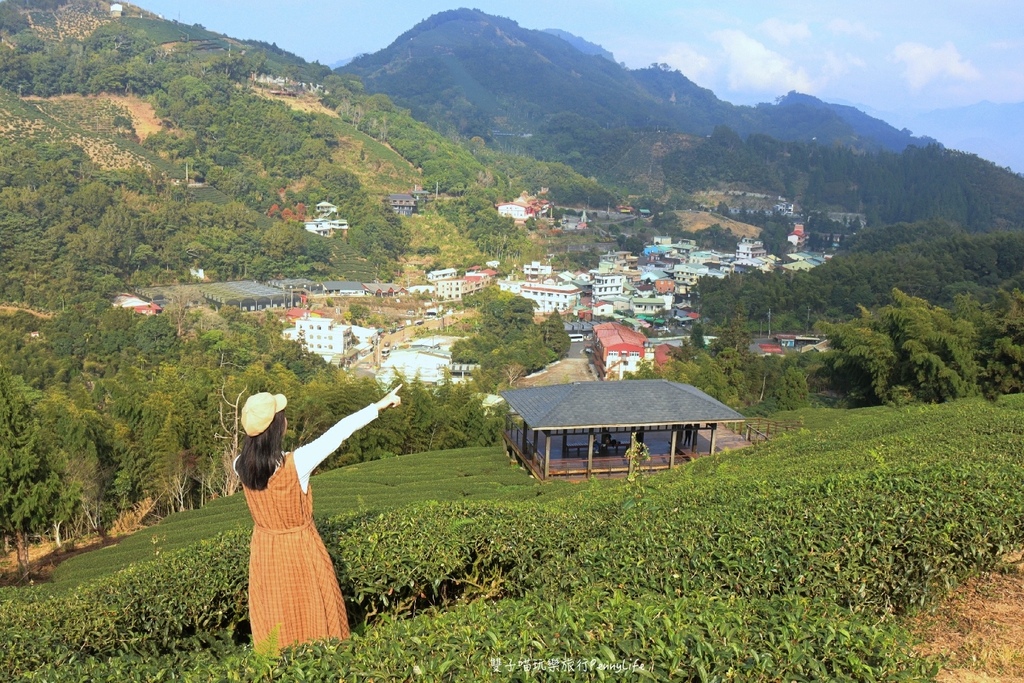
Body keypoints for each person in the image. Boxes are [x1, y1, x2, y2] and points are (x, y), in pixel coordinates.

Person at [235, 385, 402, 650]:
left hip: (265, 550)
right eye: (282, 415)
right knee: (313, 608)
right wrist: (379, 405)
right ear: (277, 427)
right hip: (300, 547)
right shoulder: (297, 463)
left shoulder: (239, 465)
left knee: (275, 611)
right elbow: (338, 433)